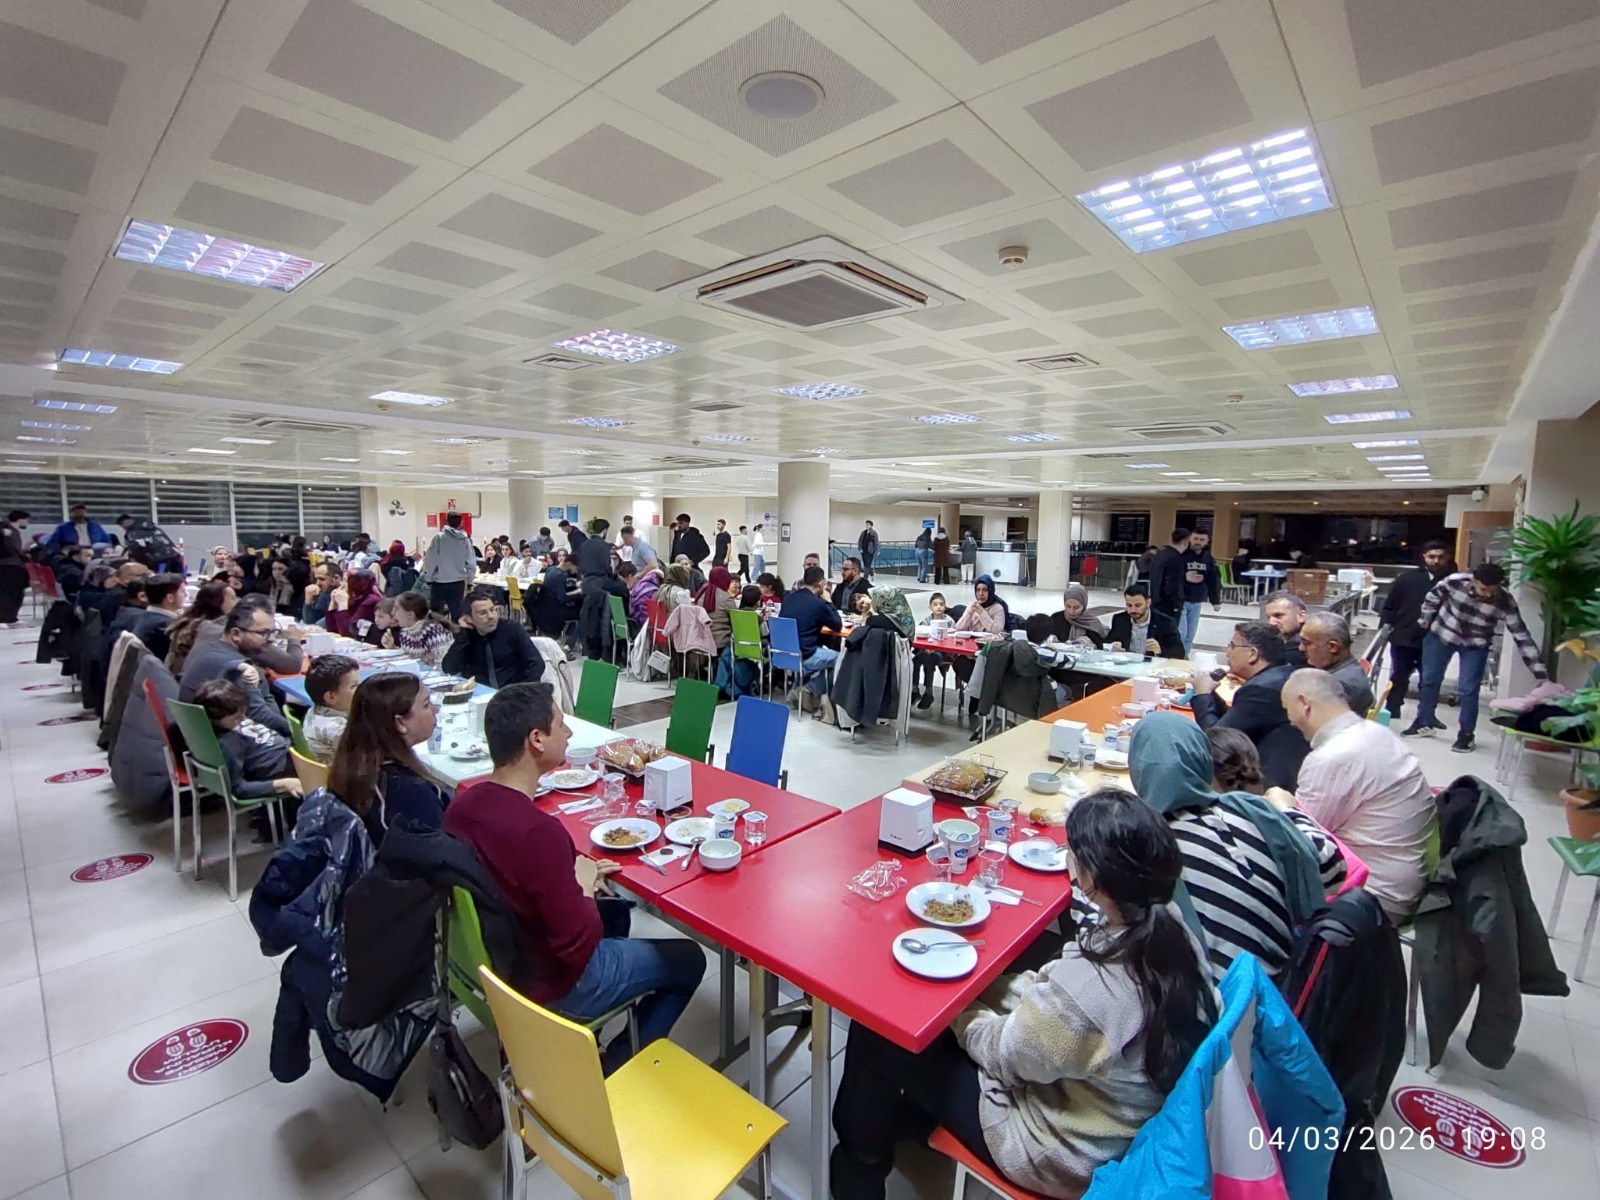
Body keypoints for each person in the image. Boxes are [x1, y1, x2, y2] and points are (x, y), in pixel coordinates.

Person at [829, 788, 1218, 1200]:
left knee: (881, 1029)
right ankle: (908, 1117)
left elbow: (1006, 1055)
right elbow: (1056, 1002)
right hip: (1117, 1115)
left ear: (1090, 876)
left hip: (1060, 1150)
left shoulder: (1093, 990)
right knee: (981, 1000)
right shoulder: (1173, 929)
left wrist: (958, 1007)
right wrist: (999, 991)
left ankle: (858, 1174)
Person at [442, 682, 707, 1070]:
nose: (567, 733)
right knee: (689, 958)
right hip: (551, 982)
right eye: (560, 725)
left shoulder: (463, 806)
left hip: (506, 960)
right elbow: (577, 944)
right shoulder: (537, 831)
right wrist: (581, 884)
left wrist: (567, 877)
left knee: (615, 912)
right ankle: (613, 1068)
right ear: (536, 740)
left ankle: (594, 1033)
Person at [1126, 714, 1339, 979]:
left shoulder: (1144, 849)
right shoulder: (1254, 812)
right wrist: (1288, 810)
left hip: (1217, 1004)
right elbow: (1333, 867)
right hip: (1287, 985)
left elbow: (1114, 936)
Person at [1282, 668, 1434, 924]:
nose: (1290, 721)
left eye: (1288, 710)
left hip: (1371, 898)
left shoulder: (1332, 758)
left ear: (1304, 704)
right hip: (1403, 883)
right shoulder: (1375, 734)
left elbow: (1299, 845)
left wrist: (1281, 806)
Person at [1407, 561, 1548, 752]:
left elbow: (1521, 636)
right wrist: (1425, 617)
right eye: (1483, 589)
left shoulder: (1505, 602)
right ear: (1473, 581)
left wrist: (1540, 674)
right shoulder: (1454, 582)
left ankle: (1466, 735)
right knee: (1430, 680)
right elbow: (1433, 596)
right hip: (1442, 634)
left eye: (1493, 589)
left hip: (1475, 645)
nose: (1488, 594)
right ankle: (1424, 721)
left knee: (1468, 690)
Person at [326, 672, 447, 845]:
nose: (435, 710)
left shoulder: (351, 765)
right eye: (427, 705)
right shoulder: (411, 793)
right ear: (400, 723)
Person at [1189, 620, 1309, 791]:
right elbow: (1239, 717)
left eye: (1232, 646)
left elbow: (1216, 740)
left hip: (1265, 784)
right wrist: (1210, 694)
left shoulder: (1260, 690)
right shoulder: (1282, 674)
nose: (1227, 652)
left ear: (1252, 654)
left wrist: (1203, 694)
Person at [179, 606, 293, 738]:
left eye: (273, 632)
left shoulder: (210, 648)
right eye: (263, 633)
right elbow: (260, 715)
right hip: (227, 743)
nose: (271, 639)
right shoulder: (239, 670)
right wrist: (298, 733)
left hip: (203, 739)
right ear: (236, 634)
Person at [1379, 541, 1455, 722]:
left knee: (1430, 679)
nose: (1436, 561)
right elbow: (1390, 606)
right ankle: (1392, 709)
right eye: (1431, 556)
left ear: (1448, 558)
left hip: (1437, 638)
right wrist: (1386, 629)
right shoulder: (1407, 578)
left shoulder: (1453, 582)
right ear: (1424, 557)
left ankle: (1427, 715)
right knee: (1399, 675)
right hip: (1404, 635)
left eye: (1440, 557)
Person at [193, 681, 301, 805]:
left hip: (288, 752)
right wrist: (285, 783)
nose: (243, 719)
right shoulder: (227, 743)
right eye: (237, 718)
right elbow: (239, 788)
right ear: (214, 719)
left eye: (243, 714)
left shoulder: (229, 718)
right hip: (278, 766)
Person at [778, 566, 844, 722]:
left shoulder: (789, 599)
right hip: (806, 654)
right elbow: (837, 625)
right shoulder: (818, 604)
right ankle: (810, 689)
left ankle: (795, 690)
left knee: (819, 650)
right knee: (842, 659)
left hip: (784, 653)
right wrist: (829, 602)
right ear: (821, 584)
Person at [442, 591, 544, 687]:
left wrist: (522, 692)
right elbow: (449, 669)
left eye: (492, 610)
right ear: (468, 618)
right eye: (482, 613)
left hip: (512, 693)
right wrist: (463, 636)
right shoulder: (468, 636)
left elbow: (536, 664)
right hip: (480, 694)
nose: (491, 616)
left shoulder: (511, 629)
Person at [1297, 611, 1374, 715]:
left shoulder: (1337, 687)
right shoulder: (1351, 668)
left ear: (1333, 647)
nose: (1301, 648)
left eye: (1306, 643)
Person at [165, 580, 237, 675]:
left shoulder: (189, 619)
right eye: (233, 598)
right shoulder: (209, 630)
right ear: (216, 602)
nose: (237, 602)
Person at [302, 653, 360, 764]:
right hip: (342, 778)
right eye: (354, 686)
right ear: (331, 697)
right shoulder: (338, 729)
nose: (361, 689)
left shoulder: (314, 710)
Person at [1106, 584, 1185, 660]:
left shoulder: (1165, 622)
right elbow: (1107, 641)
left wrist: (1160, 650)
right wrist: (1113, 645)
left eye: (1138, 605)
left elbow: (1179, 652)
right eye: (1129, 605)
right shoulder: (1120, 619)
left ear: (1148, 603)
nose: (1133, 610)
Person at [116, 571, 184, 659]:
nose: (186, 595)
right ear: (170, 598)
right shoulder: (167, 627)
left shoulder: (143, 616)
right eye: (182, 591)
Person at [422, 511, 476, 619]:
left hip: (439, 582)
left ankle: (437, 635)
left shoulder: (439, 538)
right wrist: (470, 579)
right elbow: (470, 561)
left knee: (436, 615)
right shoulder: (465, 540)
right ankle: (458, 635)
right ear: (461, 522)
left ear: (446, 521)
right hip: (458, 582)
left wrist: (428, 577)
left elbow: (431, 559)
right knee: (457, 614)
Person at [1179, 529, 1222, 656]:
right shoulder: (1180, 556)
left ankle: (1184, 658)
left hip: (1197, 601)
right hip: (1180, 601)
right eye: (1195, 539)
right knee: (1181, 634)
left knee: (1190, 636)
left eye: (1202, 539)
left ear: (1207, 542)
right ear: (1189, 539)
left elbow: (1213, 580)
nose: (1198, 542)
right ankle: (1177, 657)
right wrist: (1184, 577)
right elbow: (1168, 575)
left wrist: (1215, 600)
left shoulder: (1208, 558)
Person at [913, 592, 951, 709]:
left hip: (942, 652)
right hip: (926, 650)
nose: (938, 607)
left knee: (930, 661)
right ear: (930, 607)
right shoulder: (926, 621)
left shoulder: (949, 622)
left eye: (941, 604)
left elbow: (951, 639)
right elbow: (919, 635)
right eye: (935, 604)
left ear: (945, 607)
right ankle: (914, 689)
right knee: (915, 660)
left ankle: (929, 693)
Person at [1146, 527, 1189, 629]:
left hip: (1156, 600)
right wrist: (1176, 604)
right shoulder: (1176, 558)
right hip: (1168, 603)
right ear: (1185, 541)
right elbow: (1173, 582)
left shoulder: (1160, 555)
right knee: (1169, 633)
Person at [1261, 589, 1309, 668]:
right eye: (1268, 617)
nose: (1271, 623)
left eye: (1278, 615)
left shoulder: (1297, 646)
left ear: (1301, 616)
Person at [116, 512, 180, 571]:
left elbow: (136, 549)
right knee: (179, 579)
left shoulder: (132, 532)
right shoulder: (152, 527)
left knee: (159, 580)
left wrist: (130, 559)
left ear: (123, 524)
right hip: (174, 554)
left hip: (158, 559)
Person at [325, 568, 380, 637]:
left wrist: (343, 604)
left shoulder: (370, 601)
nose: (342, 584)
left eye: (345, 581)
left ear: (355, 584)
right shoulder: (354, 598)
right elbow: (332, 629)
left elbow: (348, 632)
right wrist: (333, 603)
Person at [45, 502, 114, 554]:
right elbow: (53, 541)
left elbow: (106, 539)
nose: (80, 516)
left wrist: (108, 548)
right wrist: (59, 550)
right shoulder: (64, 527)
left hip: (93, 547)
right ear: (73, 514)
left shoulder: (95, 526)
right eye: (77, 513)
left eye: (82, 513)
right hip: (75, 548)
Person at [0, 509, 28, 626]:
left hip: (10, 565)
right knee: (9, 593)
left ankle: (10, 617)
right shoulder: (8, 530)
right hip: (9, 566)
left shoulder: (11, 530)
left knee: (12, 593)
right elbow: (12, 548)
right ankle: (5, 618)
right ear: (20, 519)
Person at [302, 562, 338, 626]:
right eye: (316, 579)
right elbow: (309, 622)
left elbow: (318, 625)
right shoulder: (325, 594)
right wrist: (308, 601)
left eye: (322, 579)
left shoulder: (345, 596)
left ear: (336, 578)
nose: (318, 583)